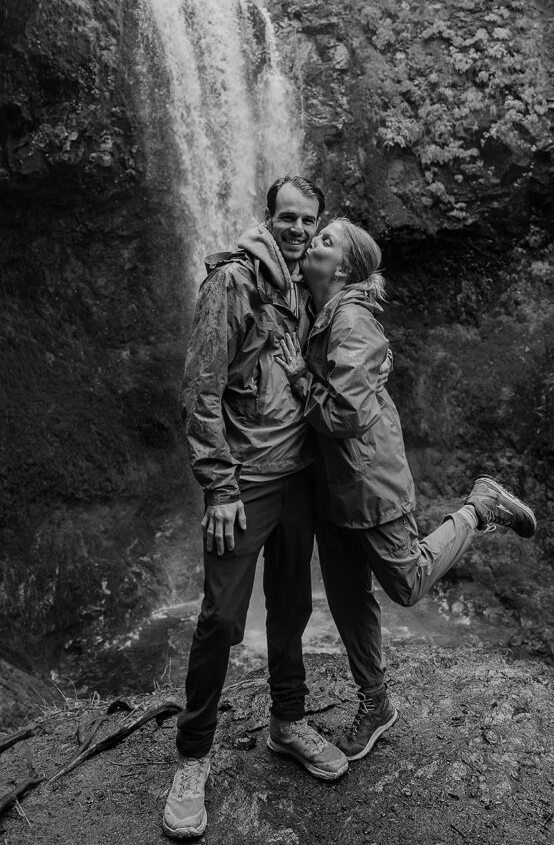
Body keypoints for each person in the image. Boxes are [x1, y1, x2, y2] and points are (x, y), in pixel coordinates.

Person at [276, 217, 537, 764]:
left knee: (408, 582)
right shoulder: (316, 310)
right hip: (331, 486)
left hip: (369, 479)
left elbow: (345, 414)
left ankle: (478, 506)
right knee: (348, 601)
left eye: (324, 240)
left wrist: (300, 378)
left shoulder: (352, 323)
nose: (309, 242)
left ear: (344, 268)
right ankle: (376, 704)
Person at [162, 176, 350, 842]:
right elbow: (201, 386)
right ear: (267, 219)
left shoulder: (307, 286)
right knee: (218, 620)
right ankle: (192, 758)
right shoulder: (232, 284)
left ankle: (287, 721)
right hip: (241, 486)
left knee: (294, 605)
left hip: (299, 478)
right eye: (287, 218)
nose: (298, 229)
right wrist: (216, 485)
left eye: (308, 219)